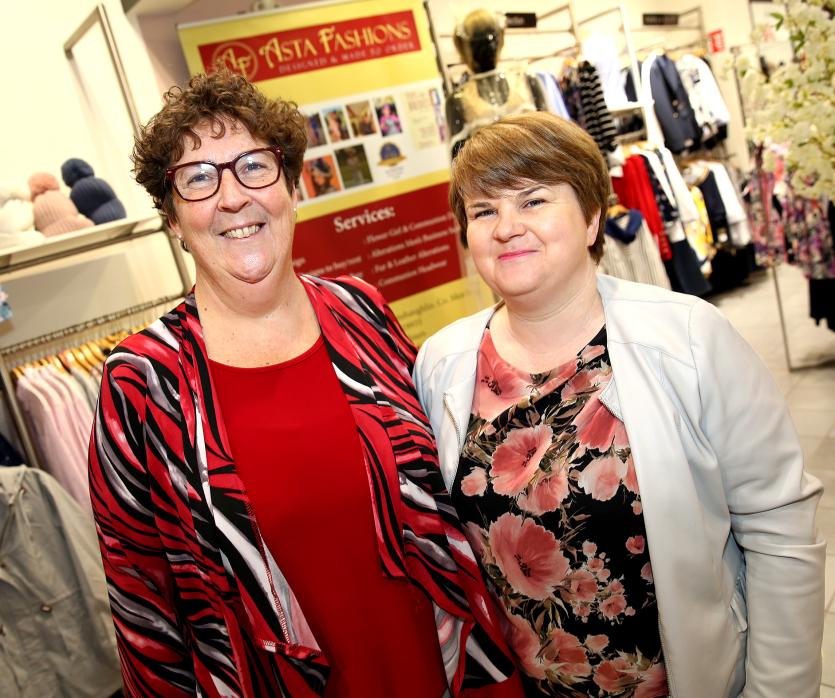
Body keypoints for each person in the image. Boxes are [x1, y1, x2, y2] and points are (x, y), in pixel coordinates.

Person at [88, 69, 524, 697]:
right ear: (174, 219)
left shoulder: (360, 310)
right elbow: (142, 605)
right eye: (199, 178)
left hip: (446, 670)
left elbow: (446, 499)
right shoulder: (142, 381)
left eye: (253, 166)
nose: (232, 197)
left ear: (291, 187)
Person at [413, 111, 826, 698]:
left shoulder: (689, 338)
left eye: (533, 201)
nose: (506, 227)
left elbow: (779, 530)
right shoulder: (443, 362)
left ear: (591, 218)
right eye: (483, 211)